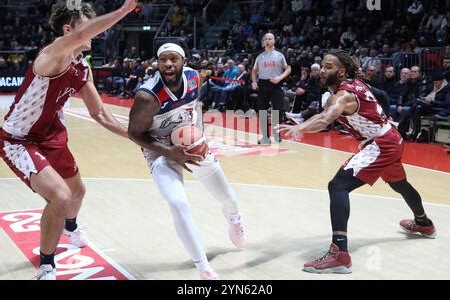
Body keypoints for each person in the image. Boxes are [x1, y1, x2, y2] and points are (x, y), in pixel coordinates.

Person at [0, 0, 148, 280]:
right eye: (86, 27)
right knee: (61, 197)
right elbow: (82, 35)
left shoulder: (82, 67)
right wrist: (123, 9)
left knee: (78, 192)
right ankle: (46, 265)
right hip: (20, 140)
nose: (93, 33)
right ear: (69, 31)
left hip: (52, 135)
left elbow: (100, 113)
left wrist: (136, 137)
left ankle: (69, 228)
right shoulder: (53, 53)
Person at [276, 49, 436, 274]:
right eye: (322, 65)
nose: (322, 70)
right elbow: (380, 94)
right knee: (399, 183)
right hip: (389, 137)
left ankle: (339, 254)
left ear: (341, 72)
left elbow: (325, 118)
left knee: (338, 185)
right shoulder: (355, 84)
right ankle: (424, 223)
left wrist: (298, 128)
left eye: (329, 67)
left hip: (381, 143)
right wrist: (386, 116)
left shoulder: (343, 95)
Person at [127, 43, 245, 280]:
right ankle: (203, 267)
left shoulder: (193, 78)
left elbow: (192, 108)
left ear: (184, 61)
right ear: (157, 63)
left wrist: (196, 134)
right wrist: (170, 152)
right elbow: (134, 133)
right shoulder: (147, 96)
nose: (168, 64)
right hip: (160, 152)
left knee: (228, 198)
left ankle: (235, 219)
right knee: (178, 204)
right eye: (163, 60)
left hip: (190, 144)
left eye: (173, 59)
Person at [251, 33, 291, 144]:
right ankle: (265, 137)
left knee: (277, 110)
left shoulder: (280, 54)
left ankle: (276, 133)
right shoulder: (259, 56)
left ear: (274, 40)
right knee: (262, 111)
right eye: (266, 39)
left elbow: (288, 69)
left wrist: (280, 77)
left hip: (276, 84)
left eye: (270, 38)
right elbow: (254, 70)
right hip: (263, 84)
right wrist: (254, 82)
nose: (268, 41)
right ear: (263, 41)